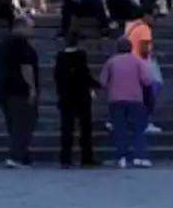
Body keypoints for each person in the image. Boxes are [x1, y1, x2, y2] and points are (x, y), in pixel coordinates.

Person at [99, 36, 154, 168]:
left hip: (116, 99)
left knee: (119, 129)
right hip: (135, 99)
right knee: (138, 128)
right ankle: (138, 156)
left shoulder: (111, 62)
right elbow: (146, 81)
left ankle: (121, 157)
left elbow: (102, 81)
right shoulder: (137, 61)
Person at [0, 16, 40, 168]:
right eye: (30, 27)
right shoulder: (22, 45)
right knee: (24, 122)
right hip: (18, 88)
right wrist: (32, 88)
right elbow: (26, 67)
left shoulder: (4, 43)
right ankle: (17, 156)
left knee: (14, 122)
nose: (32, 31)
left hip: (2, 86)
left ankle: (22, 154)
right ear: (20, 27)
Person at [54, 30, 99, 168]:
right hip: (82, 96)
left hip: (66, 97)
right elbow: (84, 75)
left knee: (67, 129)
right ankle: (87, 157)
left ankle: (65, 158)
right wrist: (96, 85)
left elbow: (57, 77)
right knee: (85, 128)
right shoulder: (80, 56)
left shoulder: (60, 58)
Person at [125, 11, 163, 134]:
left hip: (130, 63)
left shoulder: (131, 26)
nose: (154, 20)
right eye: (153, 17)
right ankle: (145, 120)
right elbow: (143, 49)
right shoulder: (145, 29)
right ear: (146, 15)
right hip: (142, 64)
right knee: (153, 88)